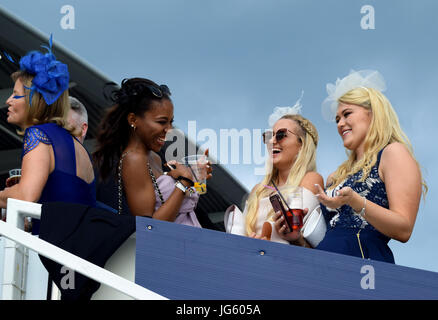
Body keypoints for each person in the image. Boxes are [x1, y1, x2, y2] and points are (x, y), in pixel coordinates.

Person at [313, 70, 427, 263]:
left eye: (347, 114)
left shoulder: (393, 153)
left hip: (362, 263)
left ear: (372, 113)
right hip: (321, 260)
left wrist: (356, 201)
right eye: (337, 119)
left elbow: (404, 228)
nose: (340, 123)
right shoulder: (335, 176)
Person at [0, 37, 96, 230]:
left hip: (54, 253)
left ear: (36, 101)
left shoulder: (39, 134)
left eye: (17, 95)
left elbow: (27, 195)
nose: (8, 100)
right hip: (78, 249)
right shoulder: (77, 145)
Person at [93, 77, 211, 227]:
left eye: (171, 122)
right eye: (162, 122)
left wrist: (190, 177)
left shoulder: (153, 157)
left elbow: (166, 203)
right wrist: (184, 182)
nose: (169, 130)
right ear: (133, 120)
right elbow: (150, 227)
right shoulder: (134, 160)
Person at [236, 99, 324, 245]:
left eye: (281, 135)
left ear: (302, 144)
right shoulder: (258, 190)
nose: (272, 141)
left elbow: (299, 234)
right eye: (269, 136)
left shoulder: (311, 179)